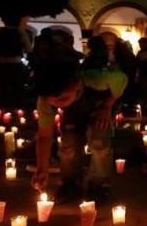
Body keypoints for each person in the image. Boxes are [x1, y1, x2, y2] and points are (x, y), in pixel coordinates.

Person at [32, 59, 128, 202]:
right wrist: (42, 169)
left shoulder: (97, 79)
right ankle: (71, 183)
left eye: (63, 98)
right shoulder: (45, 101)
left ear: (77, 84)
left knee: (99, 140)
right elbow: (44, 136)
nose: (58, 103)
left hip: (100, 108)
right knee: (68, 144)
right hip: (73, 113)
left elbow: (122, 79)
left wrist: (107, 106)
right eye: (53, 102)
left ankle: (100, 183)